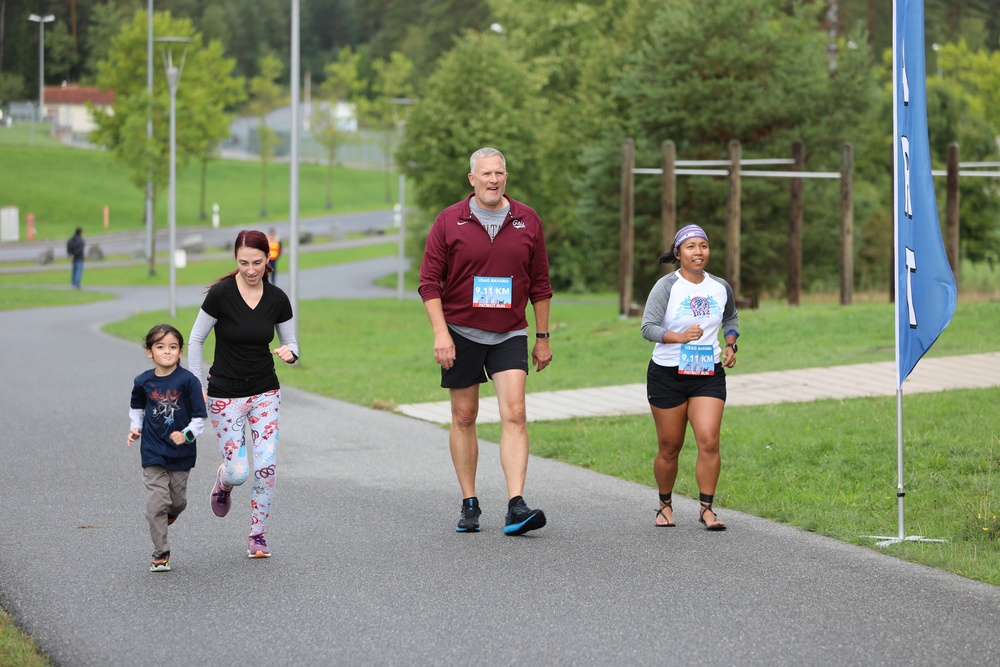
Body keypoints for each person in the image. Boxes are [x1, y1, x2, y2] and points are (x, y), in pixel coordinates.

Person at [418, 147, 553, 536]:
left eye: (499, 173)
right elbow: (429, 283)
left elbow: (541, 285)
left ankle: (515, 506)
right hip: (460, 331)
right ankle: (470, 502)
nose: (493, 180)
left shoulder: (527, 220)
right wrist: (441, 333)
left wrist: (542, 337)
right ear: (472, 179)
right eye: (486, 174)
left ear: (506, 177)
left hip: (510, 330)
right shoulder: (449, 221)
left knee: (515, 413)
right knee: (465, 416)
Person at [188, 230, 299, 558]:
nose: (250, 270)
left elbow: (291, 342)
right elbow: (196, 339)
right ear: (236, 261)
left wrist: (290, 354)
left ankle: (257, 534)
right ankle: (223, 482)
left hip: (265, 392)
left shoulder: (277, 299)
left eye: (257, 262)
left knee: (266, 466)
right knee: (239, 471)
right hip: (224, 395)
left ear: (268, 260)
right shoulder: (221, 295)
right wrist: (198, 385)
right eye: (243, 263)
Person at [640, 224, 739, 531]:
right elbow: (647, 327)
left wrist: (731, 344)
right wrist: (677, 337)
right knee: (670, 447)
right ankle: (665, 505)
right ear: (678, 253)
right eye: (691, 247)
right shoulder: (666, 286)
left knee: (709, 441)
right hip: (667, 374)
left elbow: (730, 317)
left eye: (703, 246)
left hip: (707, 372)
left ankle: (707, 509)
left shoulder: (720, 286)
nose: (699, 252)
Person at [128, 324, 208, 572]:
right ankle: (160, 553)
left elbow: (199, 416)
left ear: (180, 352)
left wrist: (187, 435)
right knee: (156, 504)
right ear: (150, 352)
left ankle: (170, 513)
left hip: (181, 453)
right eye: (160, 347)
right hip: (152, 451)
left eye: (172, 347)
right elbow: (137, 408)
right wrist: (135, 427)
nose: (167, 351)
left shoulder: (188, 381)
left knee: (177, 502)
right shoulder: (142, 381)